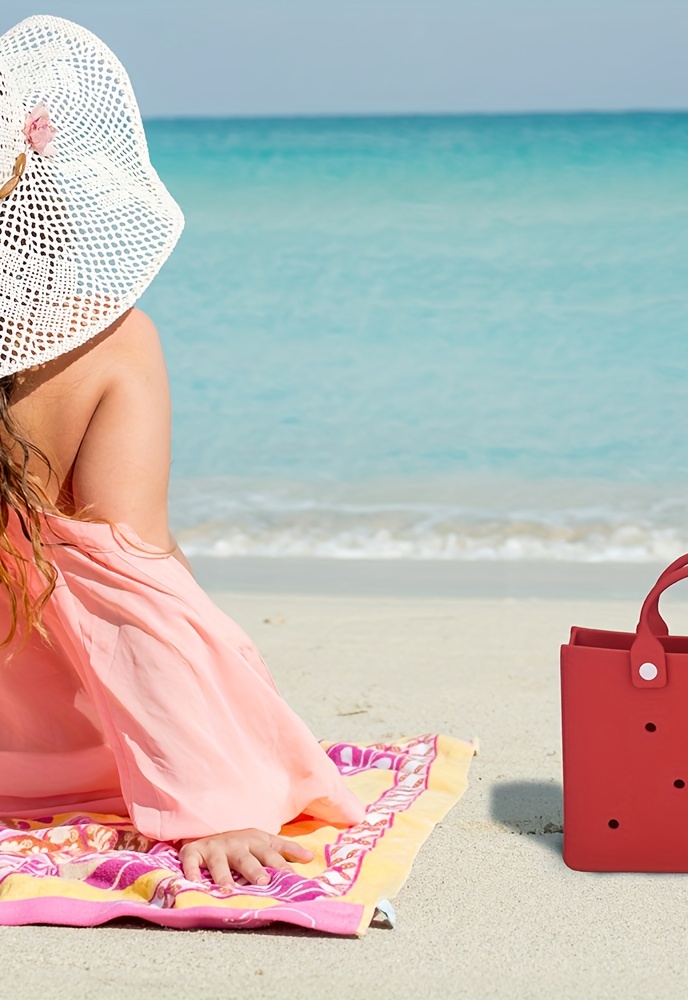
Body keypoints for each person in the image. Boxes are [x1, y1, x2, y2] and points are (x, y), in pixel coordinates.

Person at [0, 15, 364, 893]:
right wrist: (212, 799)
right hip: (48, 753)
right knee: (158, 587)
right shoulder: (104, 346)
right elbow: (136, 593)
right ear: (32, 169)